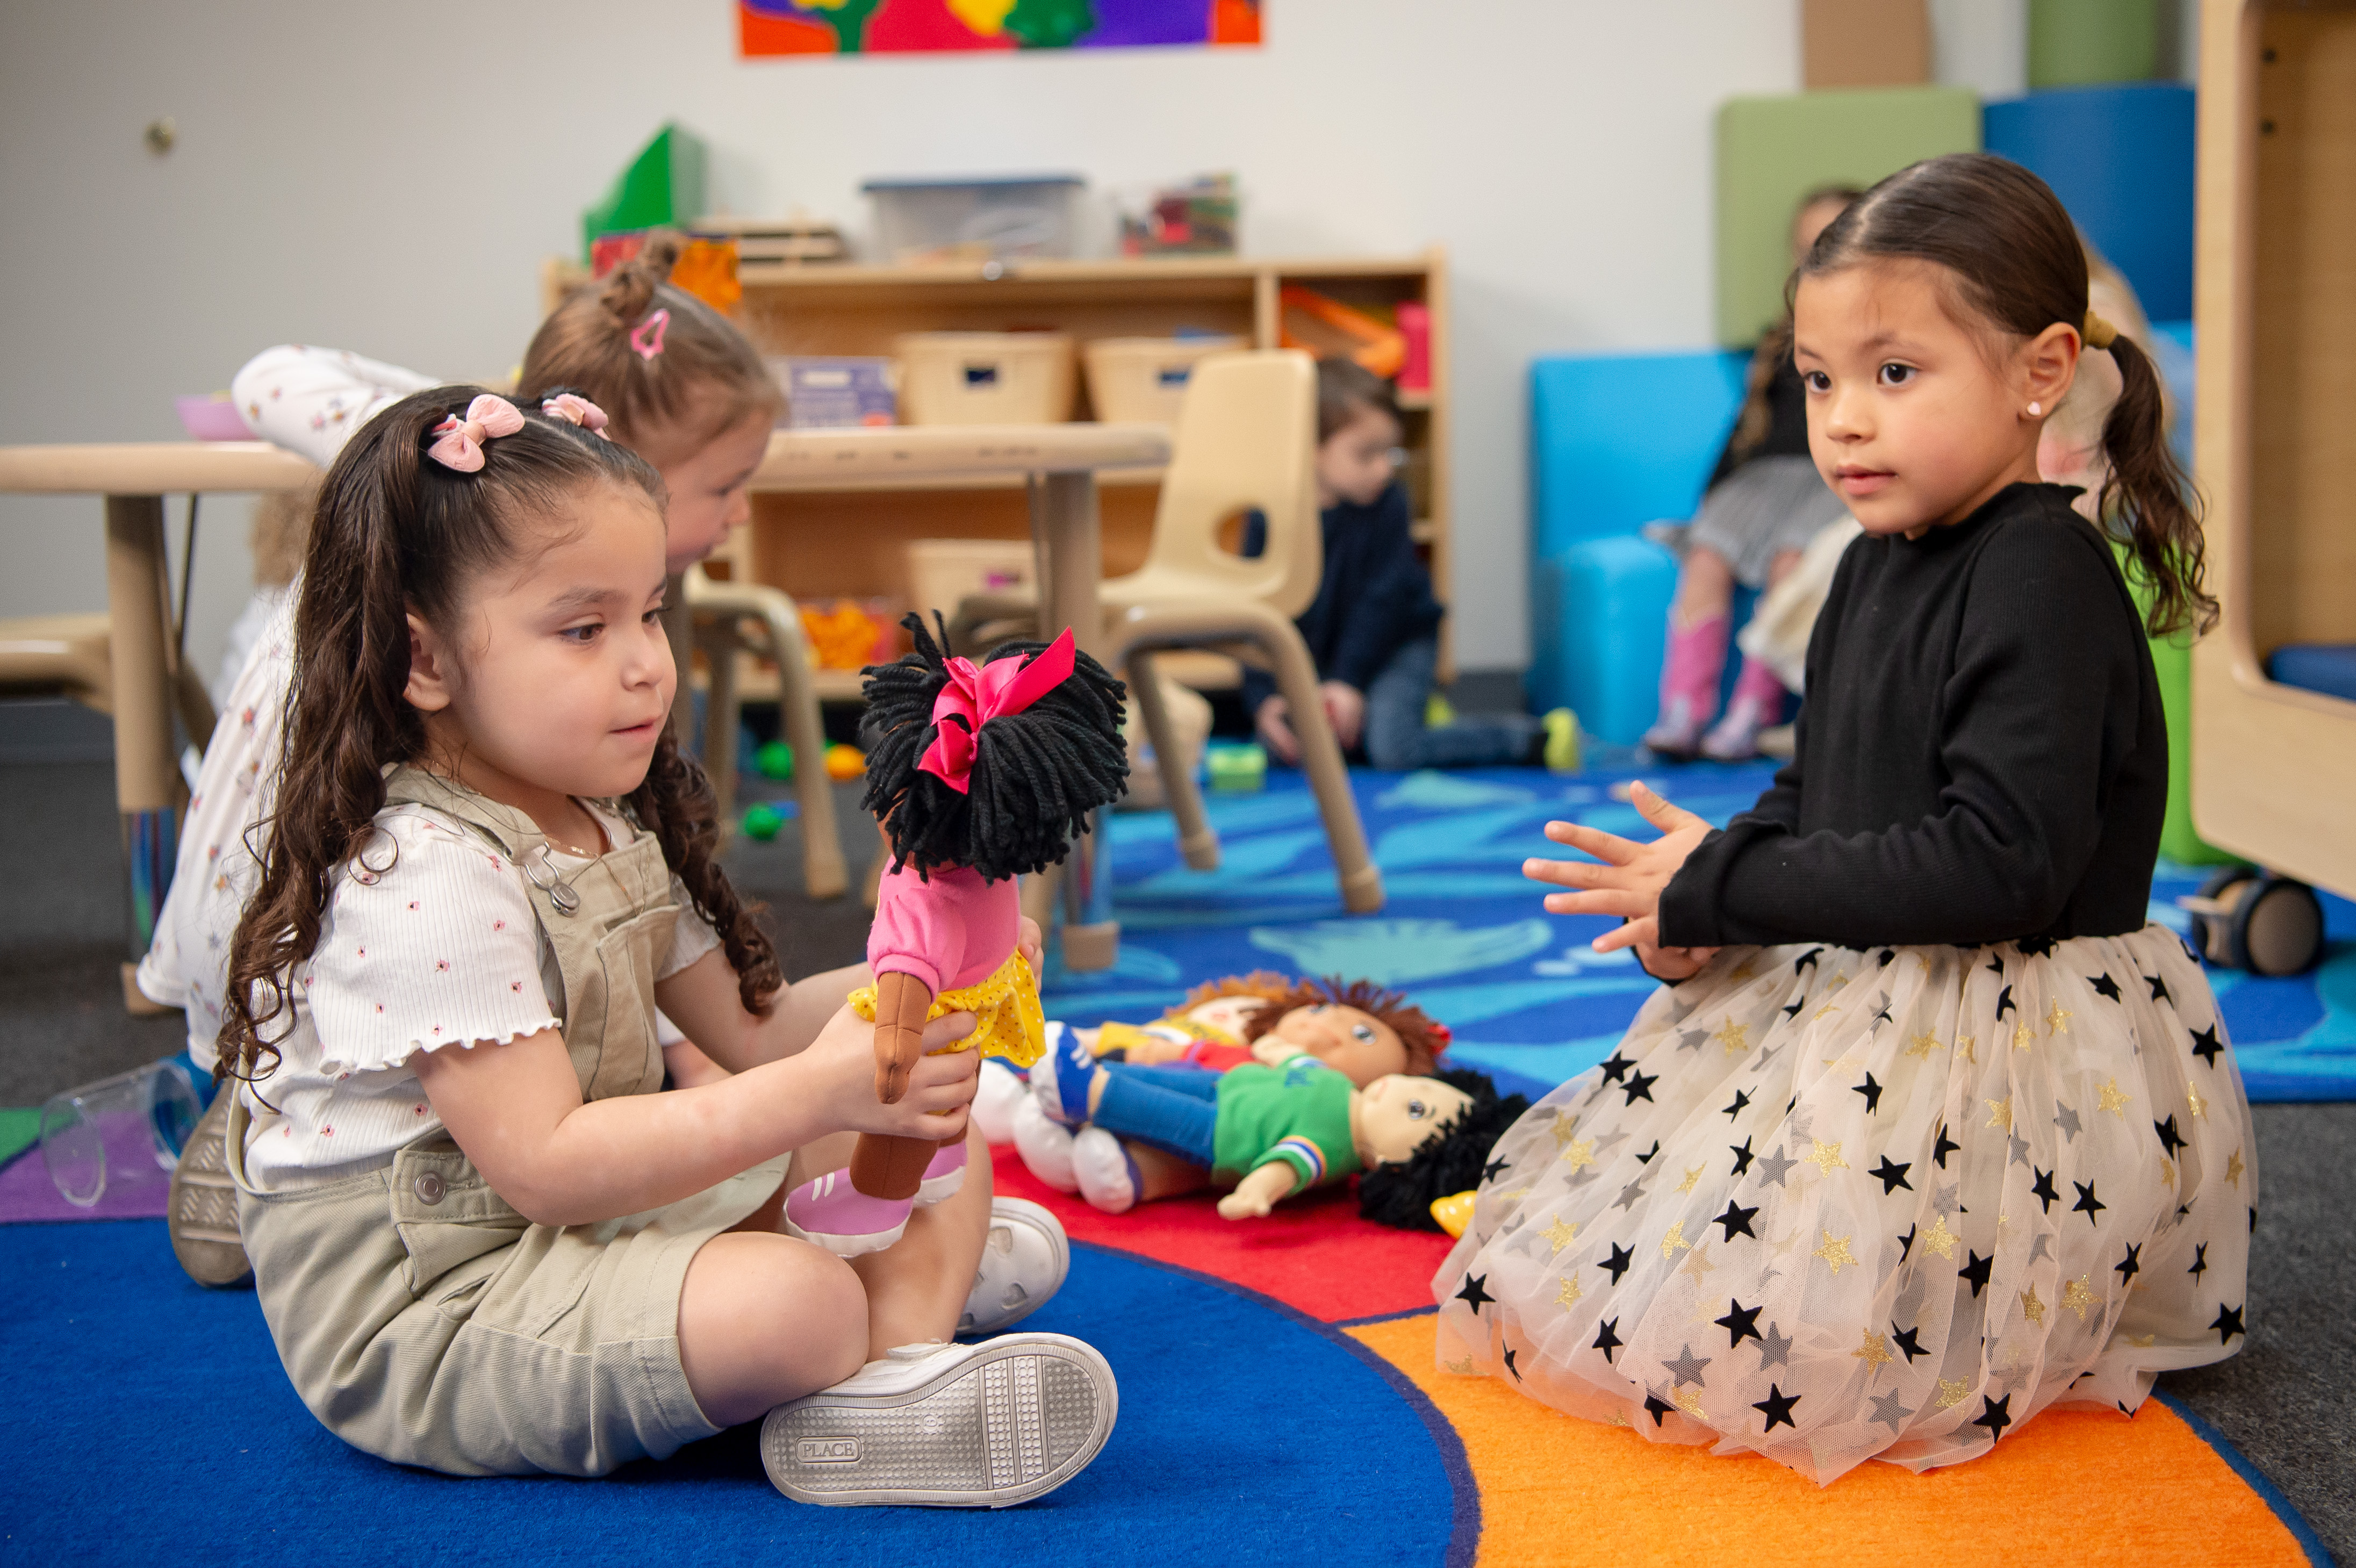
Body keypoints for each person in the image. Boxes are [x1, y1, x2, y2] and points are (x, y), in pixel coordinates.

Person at [1434, 153, 2253, 1485]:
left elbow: (2000, 869)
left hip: (2012, 1035)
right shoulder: (1873, 557)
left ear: (2040, 370)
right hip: (1877, 993)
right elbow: (1827, 789)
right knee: (1570, 1260)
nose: (1843, 423)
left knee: (1765, 1343)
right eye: (1820, 380)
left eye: (1894, 373)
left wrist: (1732, 882)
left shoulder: (2040, 572)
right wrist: (1703, 905)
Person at [211, 386, 1116, 1506]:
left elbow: (751, 1028)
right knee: (800, 1299)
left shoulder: (594, 821)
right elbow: (544, 1165)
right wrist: (818, 1094)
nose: (647, 662)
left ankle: (891, 1376)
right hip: (440, 1301)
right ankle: (875, 1335)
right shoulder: (428, 877)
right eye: (584, 629)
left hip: (594, 1214)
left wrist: (930, 980)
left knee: (943, 1145)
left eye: (649, 612)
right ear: (426, 663)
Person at [1246, 358, 1573, 772]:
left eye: (1390, 453)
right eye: (1367, 455)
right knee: (1283, 747)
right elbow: (1255, 613)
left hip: (1396, 646)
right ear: (1308, 448)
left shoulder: (1388, 504)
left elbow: (1380, 605)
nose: (1384, 468)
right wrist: (1265, 699)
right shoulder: (1267, 517)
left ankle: (1530, 738)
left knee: (1394, 750)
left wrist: (1347, 682)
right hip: (1324, 660)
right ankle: (1404, 715)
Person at [1643, 185, 1862, 761]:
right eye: (1804, 248)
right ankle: (1682, 709)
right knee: (1707, 556)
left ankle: (1750, 710)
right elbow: (1746, 433)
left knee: (1793, 559)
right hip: (1760, 479)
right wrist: (1709, 505)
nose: (1815, 258)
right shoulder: (1780, 337)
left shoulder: (1867, 332)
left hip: (1823, 476)